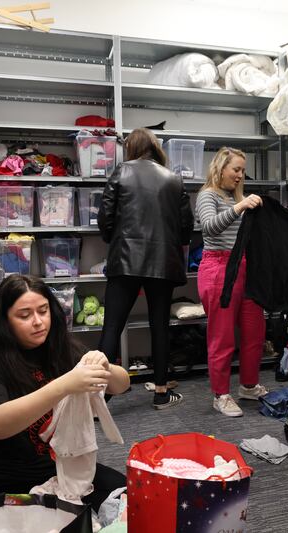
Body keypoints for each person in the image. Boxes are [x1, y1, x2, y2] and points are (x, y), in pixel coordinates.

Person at [0, 275, 129, 532]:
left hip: (48, 466)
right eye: (24, 315)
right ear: (5, 320)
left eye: (43, 311)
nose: (38, 322)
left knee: (132, 498)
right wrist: (64, 385)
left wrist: (106, 367)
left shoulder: (61, 348)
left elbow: (121, 385)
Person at [97, 128, 194, 410]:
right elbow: (186, 227)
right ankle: (161, 392)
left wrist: (114, 240)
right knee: (159, 326)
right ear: (155, 148)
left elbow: (105, 217)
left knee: (112, 326)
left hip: (125, 260)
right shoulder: (174, 179)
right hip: (162, 263)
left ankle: (99, 397)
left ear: (131, 148)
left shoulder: (121, 171)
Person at [196, 147, 269, 417]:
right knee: (222, 335)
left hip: (244, 268)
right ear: (220, 169)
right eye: (235, 169)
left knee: (254, 331)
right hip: (218, 268)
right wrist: (240, 206)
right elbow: (209, 226)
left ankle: (248, 385)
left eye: (242, 170)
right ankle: (221, 394)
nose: (240, 175)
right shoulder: (208, 195)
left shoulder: (238, 198)